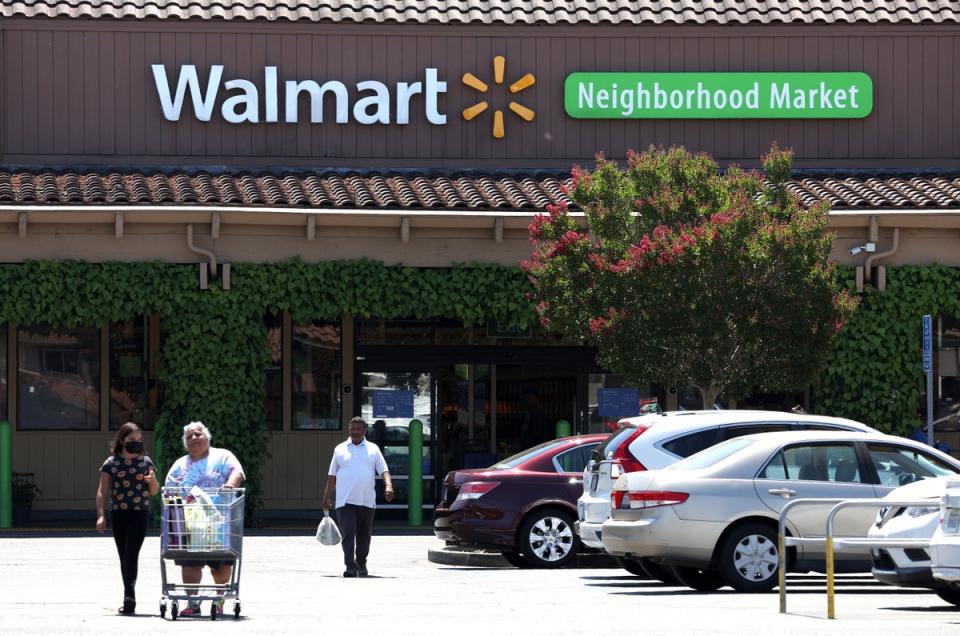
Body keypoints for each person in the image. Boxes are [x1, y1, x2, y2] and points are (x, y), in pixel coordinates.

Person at [164, 421, 245, 617]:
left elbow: (237, 473)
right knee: (190, 563)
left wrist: (230, 485)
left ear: (207, 437)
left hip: (221, 522)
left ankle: (219, 599)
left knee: (222, 565)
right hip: (192, 526)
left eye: (198, 434)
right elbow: (169, 490)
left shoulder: (223, 456)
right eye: (189, 436)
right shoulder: (179, 465)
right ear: (185, 442)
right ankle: (193, 602)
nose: (194, 438)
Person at [96, 422, 159, 615]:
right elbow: (102, 491)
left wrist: (152, 481)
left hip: (139, 513)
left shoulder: (146, 462)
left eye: (139, 440)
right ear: (122, 440)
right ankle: (128, 591)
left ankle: (129, 596)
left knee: (131, 554)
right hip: (119, 513)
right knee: (123, 555)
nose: (136, 443)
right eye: (132, 440)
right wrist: (100, 515)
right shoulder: (111, 463)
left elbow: (154, 491)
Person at [323, 416, 394, 577]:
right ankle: (350, 565)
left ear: (364, 431)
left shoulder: (373, 449)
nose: (355, 432)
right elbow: (332, 476)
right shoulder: (340, 449)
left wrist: (388, 486)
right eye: (352, 429)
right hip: (344, 501)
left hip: (366, 500)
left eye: (358, 429)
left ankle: (361, 562)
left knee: (364, 535)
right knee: (348, 533)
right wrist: (327, 497)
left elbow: (384, 470)